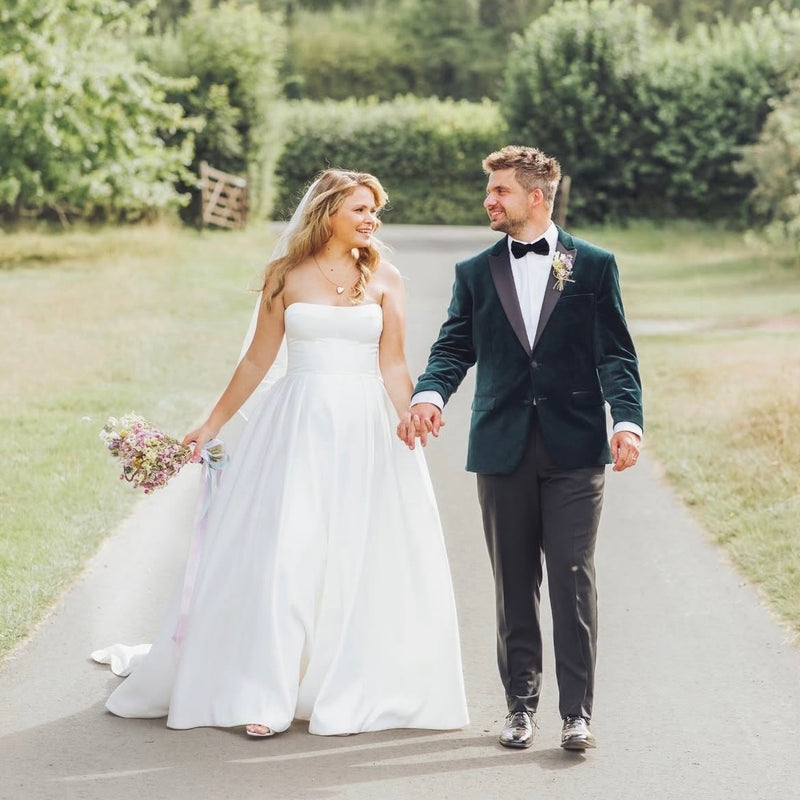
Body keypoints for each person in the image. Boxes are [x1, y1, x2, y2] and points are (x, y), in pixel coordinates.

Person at [94, 169, 469, 737]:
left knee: (353, 555)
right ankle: (263, 694)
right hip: (298, 428)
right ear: (327, 214)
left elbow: (392, 363)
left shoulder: (387, 278)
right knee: (287, 553)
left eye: (375, 210)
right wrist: (211, 423)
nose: (372, 220)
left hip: (366, 431)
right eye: (361, 209)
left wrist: (408, 414)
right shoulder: (285, 277)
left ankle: (334, 684)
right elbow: (256, 362)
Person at [397, 145, 643, 751]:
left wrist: (627, 421)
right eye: (490, 191)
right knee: (513, 583)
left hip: (576, 449)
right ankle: (519, 707)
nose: (489, 201)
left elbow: (616, 352)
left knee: (571, 577)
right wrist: (430, 394)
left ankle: (577, 714)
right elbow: (454, 347)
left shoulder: (593, 265)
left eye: (500, 191)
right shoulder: (475, 273)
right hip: (502, 447)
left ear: (536, 196)